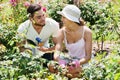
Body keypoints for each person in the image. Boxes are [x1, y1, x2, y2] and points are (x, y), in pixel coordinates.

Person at [53, 4, 92, 78]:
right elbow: (57, 52)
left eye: (64, 17)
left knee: (76, 71)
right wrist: (61, 63)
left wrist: (77, 63)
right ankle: (69, 74)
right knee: (51, 66)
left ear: (71, 19)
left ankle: (70, 75)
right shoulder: (62, 32)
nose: (62, 19)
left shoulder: (87, 32)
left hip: (83, 61)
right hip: (70, 60)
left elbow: (88, 57)